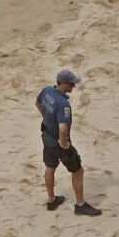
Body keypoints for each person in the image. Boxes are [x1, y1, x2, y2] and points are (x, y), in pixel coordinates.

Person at [35, 70, 101, 216]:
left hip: (46, 135)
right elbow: (63, 129)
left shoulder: (47, 90)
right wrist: (64, 144)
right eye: (72, 83)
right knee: (78, 170)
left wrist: (47, 117)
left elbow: (38, 103)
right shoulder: (63, 104)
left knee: (50, 167)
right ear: (63, 83)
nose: (74, 86)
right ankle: (80, 205)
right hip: (58, 141)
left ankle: (52, 200)